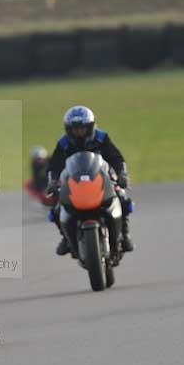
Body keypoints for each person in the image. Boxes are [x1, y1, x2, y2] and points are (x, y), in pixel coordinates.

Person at [46, 105, 135, 255]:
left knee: (123, 199)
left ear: (91, 126)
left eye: (82, 128)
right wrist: (52, 182)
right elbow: (54, 166)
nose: (79, 132)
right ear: (68, 129)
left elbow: (116, 158)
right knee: (56, 211)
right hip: (75, 184)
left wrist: (122, 174)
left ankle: (125, 234)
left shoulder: (101, 138)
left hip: (102, 179)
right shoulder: (64, 143)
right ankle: (66, 238)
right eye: (75, 129)